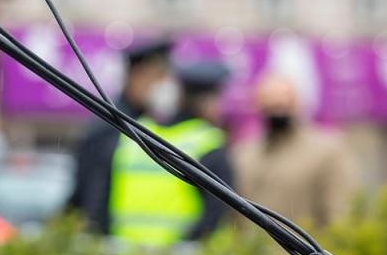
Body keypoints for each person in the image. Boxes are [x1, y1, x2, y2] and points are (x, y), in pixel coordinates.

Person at [108, 60, 234, 245]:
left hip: (121, 253)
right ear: (207, 101)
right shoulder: (208, 143)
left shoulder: (134, 135)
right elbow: (216, 215)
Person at [67, 38, 174, 234]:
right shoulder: (110, 126)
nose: (164, 85)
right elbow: (94, 199)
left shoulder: (144, 123)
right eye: (158, 77)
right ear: (136, 76)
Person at [234, 74, 355, 225]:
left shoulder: (327, 152)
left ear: (298, 105)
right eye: (269, 105)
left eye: (282, 104)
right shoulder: (244, 154)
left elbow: (338, 212)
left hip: (301, 239)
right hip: (252, 240)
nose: (276, 111)